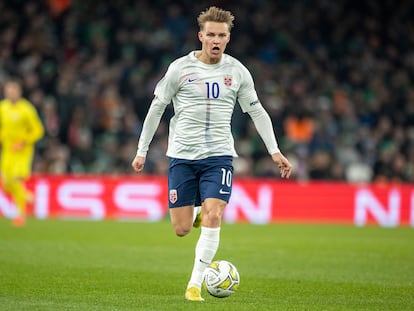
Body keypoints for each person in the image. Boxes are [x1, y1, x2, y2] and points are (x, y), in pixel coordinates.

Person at [131, 6, 292, 301]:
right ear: (201, 36)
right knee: (181, 229)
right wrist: (142, 150)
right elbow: (157, 108)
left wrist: (275, 151)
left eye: (222, 35)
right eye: (211, 35)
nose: (216, 40)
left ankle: (194, 285)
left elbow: (256, 111)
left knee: (214, 214)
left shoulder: (237, 71)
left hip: (219, 156)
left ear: (228, 38)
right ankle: (193, 214)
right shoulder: (180, 69)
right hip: (182, 156)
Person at [0, 79, 45, 226]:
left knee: (15, 180)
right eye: (8, 90)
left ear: (19, 92)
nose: (10, 93)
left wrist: (24, 141)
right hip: (7, 151)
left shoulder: (26, 109)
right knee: (6, 184)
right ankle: (26, 196)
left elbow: (38, 130)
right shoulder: (3, 108)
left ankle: (21, 214)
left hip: (22, 152)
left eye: (13, 90)